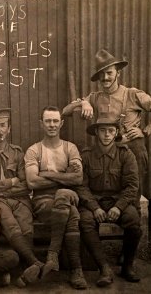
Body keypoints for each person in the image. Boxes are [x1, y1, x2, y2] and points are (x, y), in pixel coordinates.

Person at [62, 49, 151, 206]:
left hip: (131, 148)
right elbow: (65, 111)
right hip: (107, 150)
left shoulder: (132, 94)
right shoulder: (95, 97)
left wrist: (145, 131)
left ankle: (132, 220)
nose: (105, 77)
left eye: (109, 73)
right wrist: (83, 102)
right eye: (101, 74)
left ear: (118, 73)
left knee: (132, 194)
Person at [0, 108, 43, 287]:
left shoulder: (18, 153)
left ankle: (23, 270)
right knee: (9, 223)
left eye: (2, 125)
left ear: (9, 128)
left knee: (26, 225)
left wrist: (3, 188)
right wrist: (12, 182)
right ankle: (34, 263)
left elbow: (25, 184)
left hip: (20, 200)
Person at [24, 106, 87, 289]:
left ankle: (53, 254)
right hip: (43, 203)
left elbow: (78, 178)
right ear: (41, 124)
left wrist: (46, 174)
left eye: (55, 121)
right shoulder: (34, 151)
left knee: (64, 194)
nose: (52, 125)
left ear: (62, 123)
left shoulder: (70, 148)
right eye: (48, 121)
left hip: (68, 195)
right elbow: (32, 183)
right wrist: (63, 177)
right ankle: (77, 270)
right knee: (72, 213)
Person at [78, 114, 142, 286]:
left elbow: (132, 187)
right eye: (103, 130)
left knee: (134, 222)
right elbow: (81, 186)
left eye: (111, 131)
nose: (107, 134)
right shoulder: (86, 155)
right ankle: (104, 268)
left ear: (116, 134)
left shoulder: (126, 155)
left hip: (117, 201)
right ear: (96, 133)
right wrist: (94, 207)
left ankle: (127, 266)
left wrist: (119, 207)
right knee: (85, 221)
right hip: (94, 201)